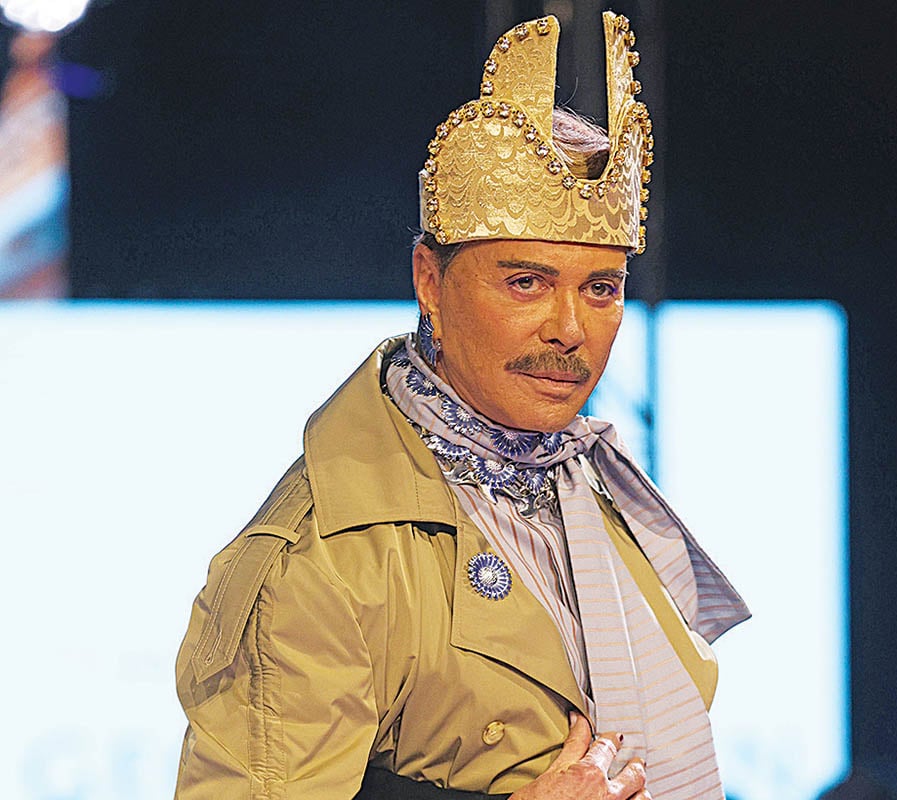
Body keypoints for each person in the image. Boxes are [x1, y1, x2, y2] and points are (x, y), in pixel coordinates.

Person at [173, 12, 748, 800]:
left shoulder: (595, 488)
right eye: (526, 283)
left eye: (601, 289)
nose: (569, 329)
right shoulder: (325, 560)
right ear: (429, 281)